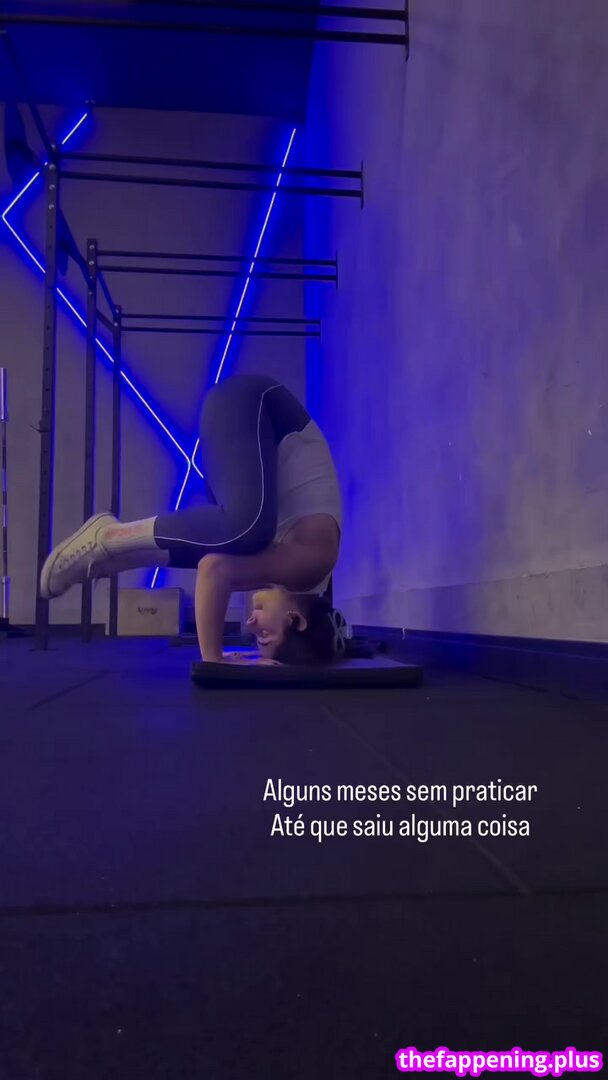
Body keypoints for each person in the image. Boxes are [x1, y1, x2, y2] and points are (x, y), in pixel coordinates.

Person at [40, 373, 346, 665]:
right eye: (265, 634)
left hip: (240, 429)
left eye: (256, 638)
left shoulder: (296, 578)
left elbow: (215, 565)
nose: (251, 625)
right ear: (296, 620)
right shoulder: (309, 568)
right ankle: (110, 538)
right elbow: (215, 571)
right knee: (248, 531)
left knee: (236, 547)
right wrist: (214, 658)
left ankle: (119, 559)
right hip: (252, 404)